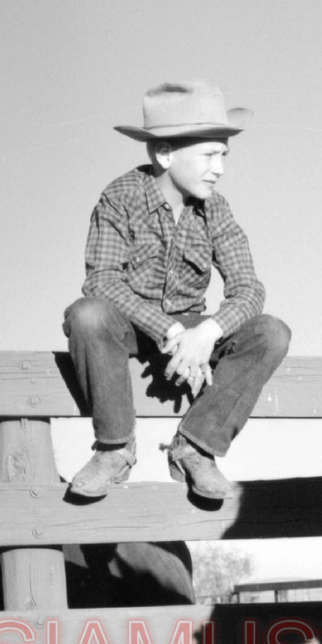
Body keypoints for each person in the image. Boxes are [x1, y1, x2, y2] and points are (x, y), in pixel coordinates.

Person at [64, 79, 290, 502]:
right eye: (208, 155)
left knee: (271, 332)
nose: (219, 167)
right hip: (130, 326)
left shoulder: (217, 209)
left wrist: (205, 333)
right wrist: (170, 332)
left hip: (194, 332)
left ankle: (196, 446)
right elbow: (102, 280)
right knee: (87, 313)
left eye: (224, 155)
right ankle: (114, 448)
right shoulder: (119, 197)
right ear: (164, 154)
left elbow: (248, 288)